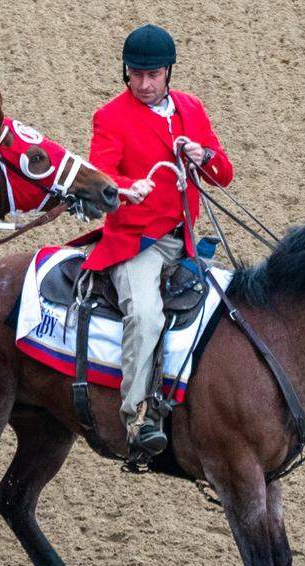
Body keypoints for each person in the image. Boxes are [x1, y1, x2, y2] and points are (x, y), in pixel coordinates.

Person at [83, 24, 234, 457]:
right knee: (146, 316)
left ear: (169, 72)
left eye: (153, 75)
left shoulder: (192, 108)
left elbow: (223, 174)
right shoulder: (109, 117)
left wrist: (202, 156)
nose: (144, 85)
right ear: (125, 73)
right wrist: (128, 188)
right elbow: (100, 176)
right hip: (136, 243)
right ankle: (135, 417)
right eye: (136, 75)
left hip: (184, 239)